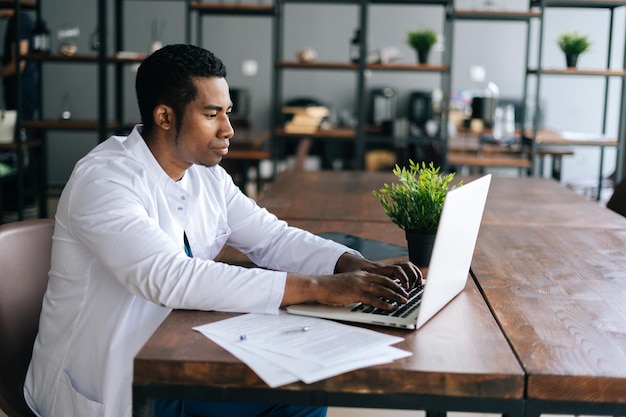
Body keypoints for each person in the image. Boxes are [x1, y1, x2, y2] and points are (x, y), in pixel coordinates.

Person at [24, 44, 421, 417]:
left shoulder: (206, 176)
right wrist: (319, 288)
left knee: (303, 392)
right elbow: (167, 278)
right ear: (165, 117)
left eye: (228, 112)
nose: (228, 129)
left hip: (176, 354)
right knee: (294, 399)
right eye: (212, 114)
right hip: (113, 381)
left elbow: (271, 237)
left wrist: (354, 265)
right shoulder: (104, 179)